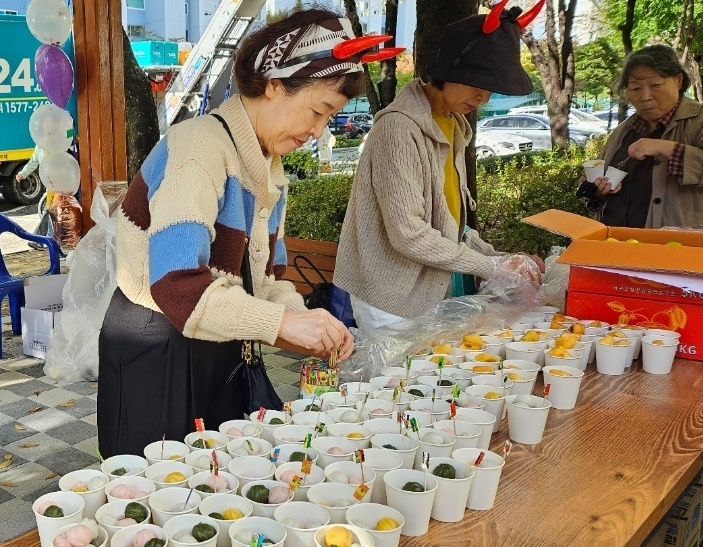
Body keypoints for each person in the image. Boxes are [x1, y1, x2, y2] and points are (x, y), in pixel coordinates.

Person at [97, 9, 390, 457]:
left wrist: (311, 323)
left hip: (217, 337)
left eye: (329, 118)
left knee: (215, 478)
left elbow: (267, 279)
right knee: (159, 491)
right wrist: (283, 324)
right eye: (318, 110)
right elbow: (177, 286)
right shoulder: (199, 146)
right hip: (158, 340)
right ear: (274, 85)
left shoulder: (267, 169)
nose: (318, 131)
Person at [333, 2, 546, 332]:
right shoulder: (399, 128)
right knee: (392, 383)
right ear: (450, 71)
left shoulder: (453, 124)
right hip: (391, 298)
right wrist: (493, 266)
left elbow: (451, 226)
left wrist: (504, 258)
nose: (484, 98)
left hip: (429, 291)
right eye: (478, 83)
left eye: (490, 88)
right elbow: (408, 234)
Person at [582, 45, 703, 228]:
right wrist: (597, 191)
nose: (645, 96)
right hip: (615, 245)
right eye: (636, 88)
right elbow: (590, 183)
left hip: (673, 249)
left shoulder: (698, 121)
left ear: (678, 80)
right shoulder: (624, 130)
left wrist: (664, 148)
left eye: (655, 85)